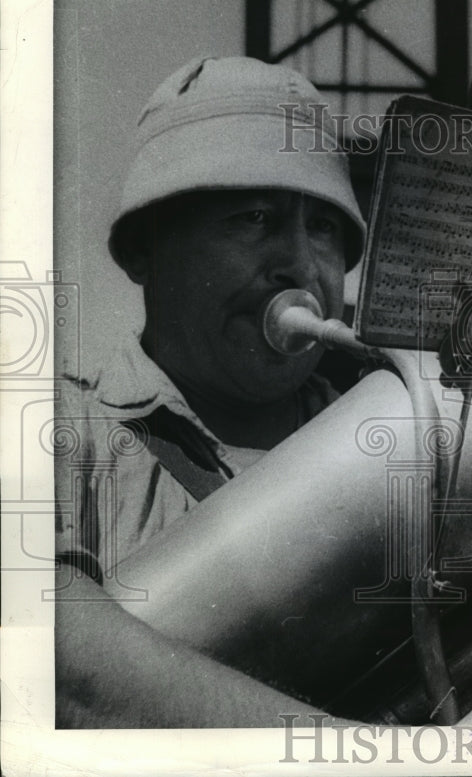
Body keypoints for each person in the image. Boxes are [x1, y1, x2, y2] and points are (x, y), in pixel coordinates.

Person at [54, 56, 366, 727]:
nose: (302, 265)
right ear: (145, 248)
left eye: (325, 227)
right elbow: (44, 653)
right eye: (255, 217)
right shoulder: (55, 423)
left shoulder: (414, 440)